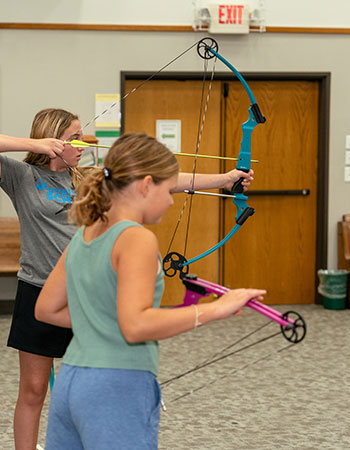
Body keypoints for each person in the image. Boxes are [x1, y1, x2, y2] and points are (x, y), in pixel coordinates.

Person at [0, 108, 256, 450]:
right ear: (53, 138)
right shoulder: (23, 175)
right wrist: (37, 145)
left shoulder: (88, 177)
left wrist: (225, 180)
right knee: (33, 390)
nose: (81, 142)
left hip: (89, 288)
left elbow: (162, 182)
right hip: (39, 287)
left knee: (87, 370)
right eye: (74, 136)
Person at [34, 133, 267, 449]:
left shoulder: (85, 234)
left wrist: (105, 322)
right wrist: (219, 308)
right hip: (116, 385)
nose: (172, 199)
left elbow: (46, 309)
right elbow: (136, 326)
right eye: (168, 188)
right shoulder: (136, 238)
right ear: (145, 185)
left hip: (72, 382)